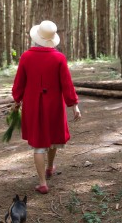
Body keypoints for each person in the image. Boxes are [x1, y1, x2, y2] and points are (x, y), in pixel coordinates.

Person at [11, 20, 81, 194]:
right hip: (54, 105)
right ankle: (49, 167)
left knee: (39, 145)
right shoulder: (59, 58)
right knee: (52, 138)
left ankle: (43, 182)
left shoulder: (26, 57)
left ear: (37, 38)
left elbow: (19, 82)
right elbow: (67, 84)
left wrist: (17, 101)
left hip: (33, 105)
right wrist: (74, 105)